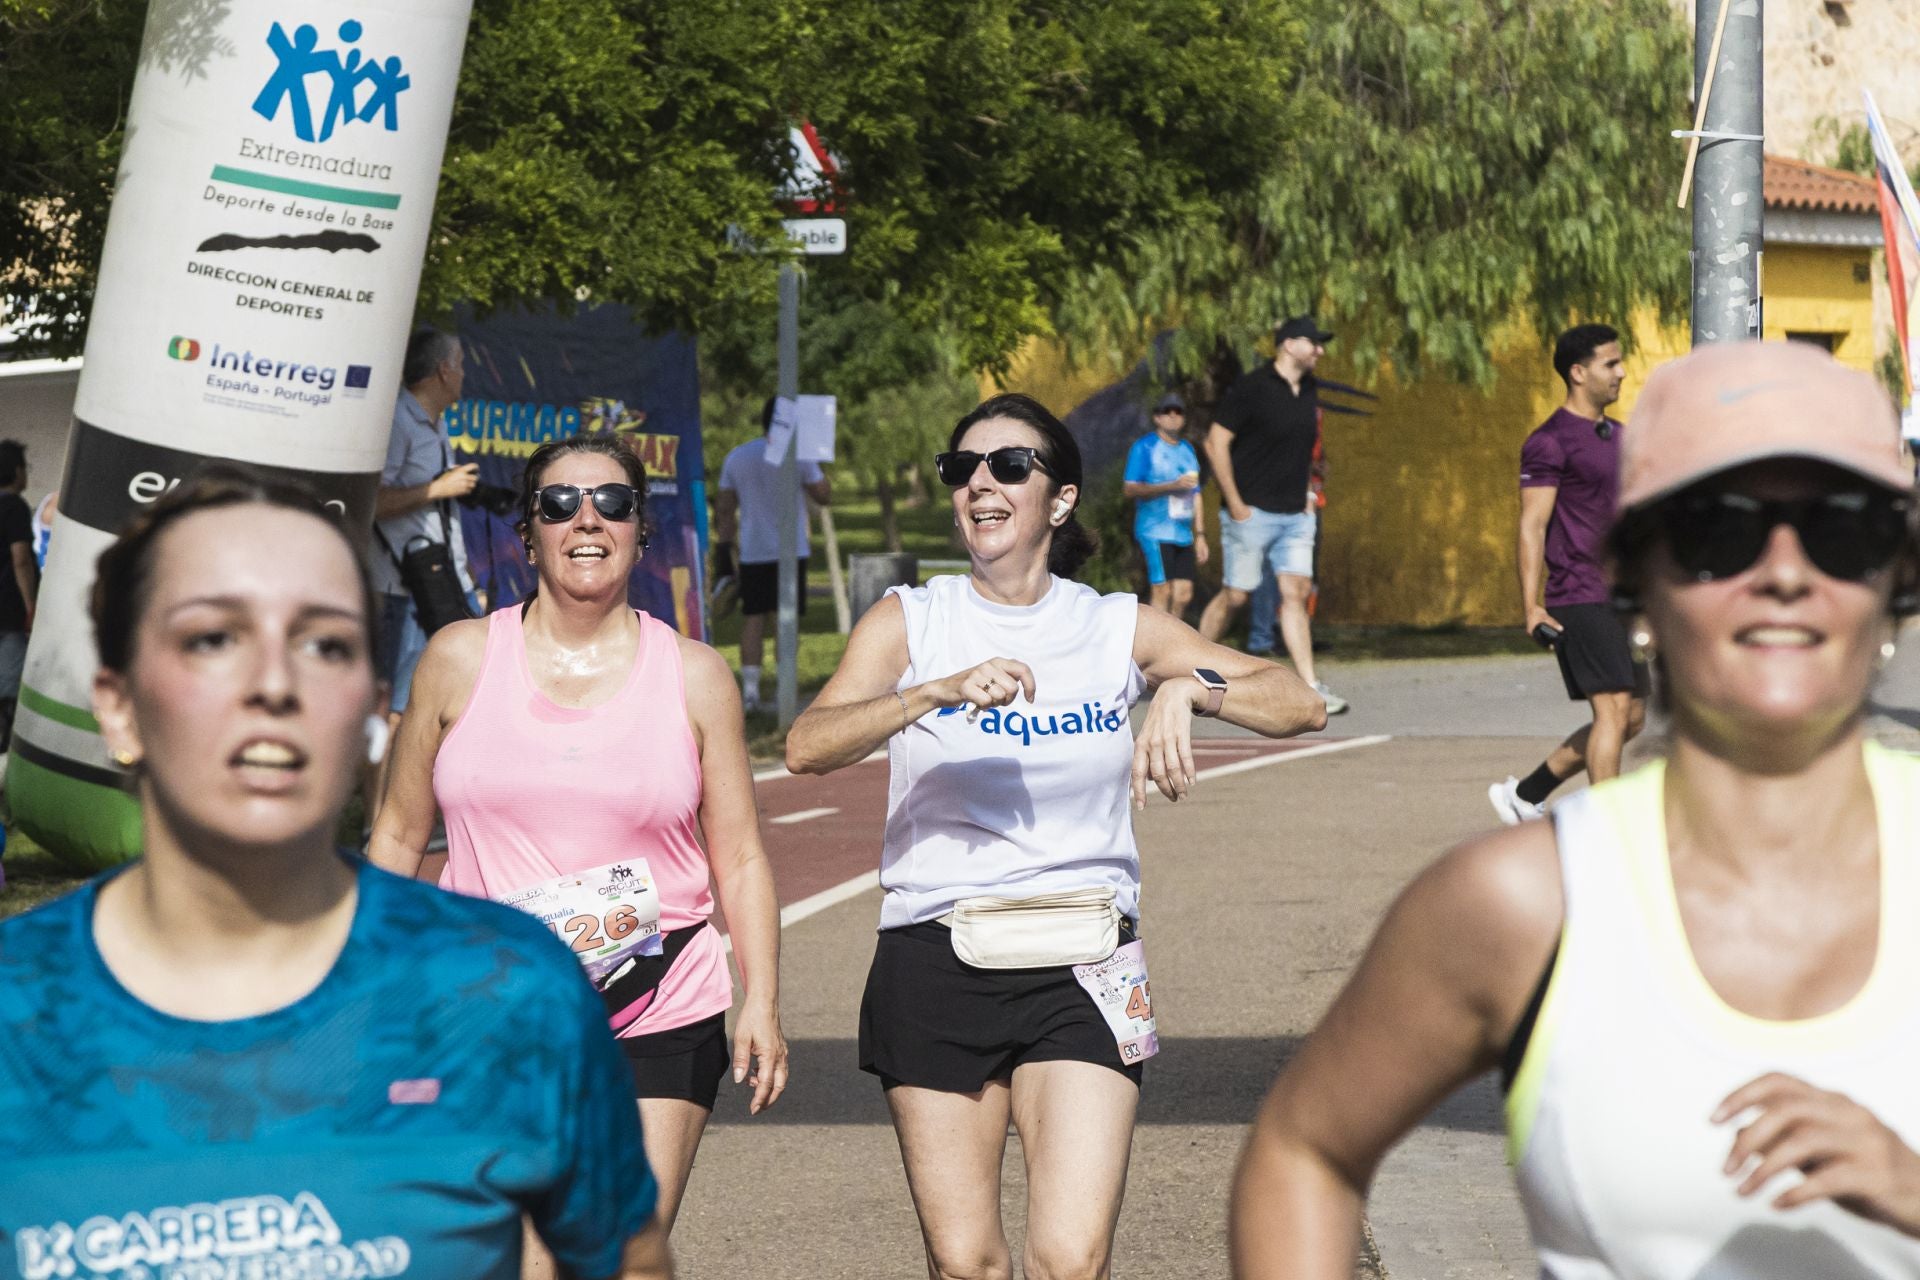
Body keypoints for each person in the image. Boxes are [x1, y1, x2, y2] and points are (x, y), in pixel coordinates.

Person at [1232, 341, 1920, 1279]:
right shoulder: (1523, 904)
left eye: (1843, 529)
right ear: (1637, 581)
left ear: (1896, 581)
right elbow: (1303, 1150)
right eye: (1719, 530)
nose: (1786, 571)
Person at [0, 467, 670, 1279]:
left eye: (324, 644)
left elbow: (629, 1262)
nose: (273, 684)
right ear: (117, 705)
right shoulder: (20, 1011)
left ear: (370, 705)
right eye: (212, 638)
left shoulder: (507, 993)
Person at [788, 392, 1326, 1280]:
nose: (981, 485)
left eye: (1009, 466)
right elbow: (808, 746)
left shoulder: (1112, 624)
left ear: (1062, 498)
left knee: (1071, 1260)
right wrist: (931, 691)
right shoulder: (913, 620)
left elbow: (1297, 702)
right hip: (936, 952)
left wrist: (1187, 688)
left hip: (1086, 957)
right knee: (966, 1263)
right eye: (962, 469)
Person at [371, 432, 786, 1251]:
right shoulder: (457, 660)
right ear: (529, 531)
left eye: (612, 502)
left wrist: (763, 999)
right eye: (559, 504)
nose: (586, 520)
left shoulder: (696, 675)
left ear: (639, 528)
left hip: (658, 1002)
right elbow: (395, 834)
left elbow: (737, 855)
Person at [1489, 323, 1648, 824]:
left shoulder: (1618, 436)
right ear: (1578, 373)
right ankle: (1609, 830)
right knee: (1613, 710)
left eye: (1620, 362)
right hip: (1577, 593)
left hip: (1620, 594)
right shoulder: (1550, 442)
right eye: (1611, 364)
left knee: (1634, 717)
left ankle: (1526, 793)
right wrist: (1531, 605)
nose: (1621, 372)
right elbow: (1532, 527)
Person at [1198, 316, 1348, 714]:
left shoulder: (1310, 390)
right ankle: (1190, 668)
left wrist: (1307, 494)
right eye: (1313, 342)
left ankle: (1311, 686)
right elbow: (1215, 443)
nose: (1320, 350)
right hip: (1251, 512)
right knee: (1236, 595)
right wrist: (1234, 503)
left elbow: (1302, 450)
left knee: (1294, 594)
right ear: (1287, 344)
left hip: (1296, 515)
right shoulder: (1252, 388)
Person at [371, 327, 479, 737]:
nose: (465, 374)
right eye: (462, 365)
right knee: (394, 712)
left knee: (467, 688)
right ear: (443, 370)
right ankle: (382, 803)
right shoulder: (397, 421)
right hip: (402, 588)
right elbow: (374, 503)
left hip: (442, 578)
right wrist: (439, 488)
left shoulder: (435, 423)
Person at [715, 398, 831, 711]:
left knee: (753, 618)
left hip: (754, 550)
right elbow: (824, 495)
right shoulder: (799, 455)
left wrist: (725, 548)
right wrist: (816, 456)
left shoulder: (737, 456)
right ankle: (784, 690)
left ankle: (751, 692)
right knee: (785, 619)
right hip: (792, 551)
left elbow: (725, 507)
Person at [1123, 390, 1209, 616]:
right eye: (1166, 411)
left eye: (1178, 411)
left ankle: (1170, 644)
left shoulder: (1188, 450)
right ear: (1157, 417)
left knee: (1184, 593)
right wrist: (1172, 486)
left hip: (1182, 532)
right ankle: (1152, 647)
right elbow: (1130, 489)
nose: (1173, 415)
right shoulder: (1145, 447)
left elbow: (1196, 493)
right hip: (1155, 531)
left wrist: (1200, 535)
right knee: (1163, 590)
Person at [0, 440, 37, 752]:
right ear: (16, 472)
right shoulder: (14, 506)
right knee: (9, 681)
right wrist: (31, 606)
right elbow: (21, 559)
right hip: (7, 608)